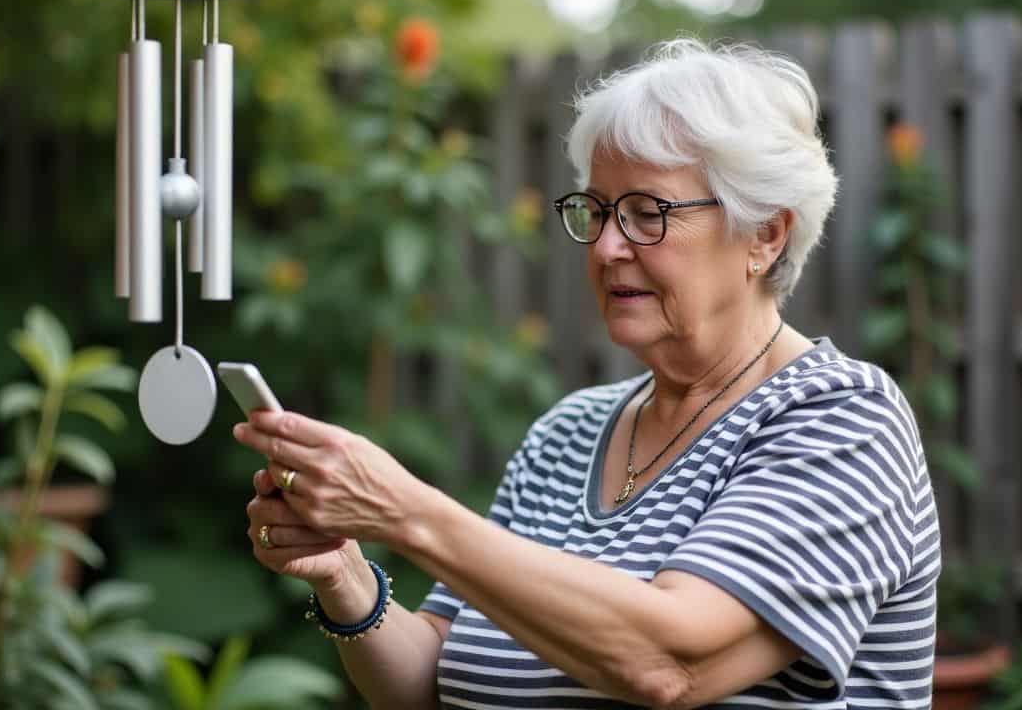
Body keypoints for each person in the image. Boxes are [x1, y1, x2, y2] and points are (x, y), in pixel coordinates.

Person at [236, 38, 939, 708]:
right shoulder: (567, 433)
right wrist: (346, 575)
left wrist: (407, 512)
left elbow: (670, 665)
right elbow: (426, 685)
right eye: (598, 210)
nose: (606, 248)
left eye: (646, 213)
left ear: (765, 233)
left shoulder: (840, 419)